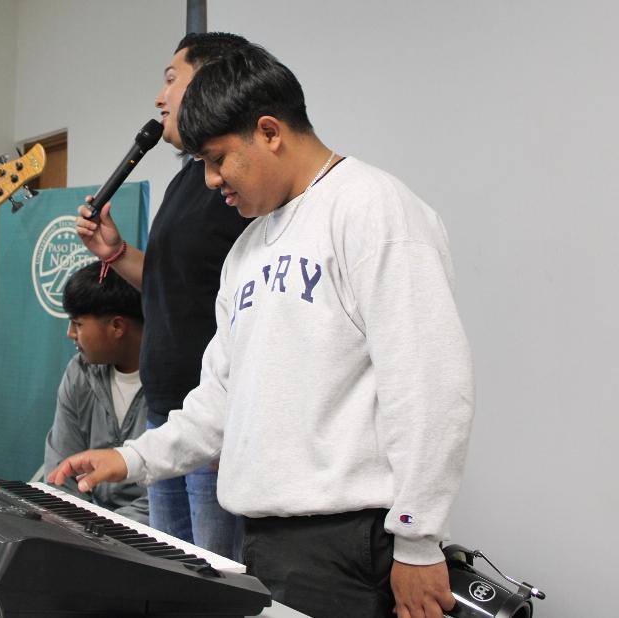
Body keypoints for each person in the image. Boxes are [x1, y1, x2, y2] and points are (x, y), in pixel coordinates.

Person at [51, 42, 474, 618]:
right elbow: (220, 402)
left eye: (218, 158)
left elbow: (428, 384)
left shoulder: (372, 208)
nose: (209, 180)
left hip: (349, 541)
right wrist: (131, 459)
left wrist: (418, 540)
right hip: (266, 540)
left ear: (269, 132)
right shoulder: (246, 249)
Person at [74, 32, 251, 559]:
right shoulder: (186, 180)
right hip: (166, 412)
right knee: (170, 573)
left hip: (211, 419)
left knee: (214, 579)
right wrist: (115, 252)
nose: (159, 97)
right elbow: (169, 281)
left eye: (172, 79)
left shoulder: (239, 183)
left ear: (212, 81)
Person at [43, 263, 149, 523]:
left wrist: (103, 529)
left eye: (78, 323)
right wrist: (81, 529)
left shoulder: (173, 380)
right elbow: (61, 476)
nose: (70, 333)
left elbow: (168, 498)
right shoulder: (79, 372)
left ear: (117, 326)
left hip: (154, 534)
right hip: (89, 529)